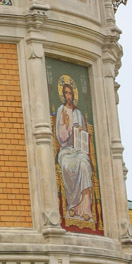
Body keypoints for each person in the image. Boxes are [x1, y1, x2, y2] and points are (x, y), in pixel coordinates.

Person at [55, 77, 95, 223]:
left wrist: (80, 131)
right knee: (66, 166)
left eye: (70, 93)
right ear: (63, 95)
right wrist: (65, 125)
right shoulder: (61, 110)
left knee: (84, 165)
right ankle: (72, 205)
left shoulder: (78, 113)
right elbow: (60, 138)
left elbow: (84, 136)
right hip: (66, 150)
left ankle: (85, 209)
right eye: (66, 93)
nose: (68, 96)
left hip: (78, 150)